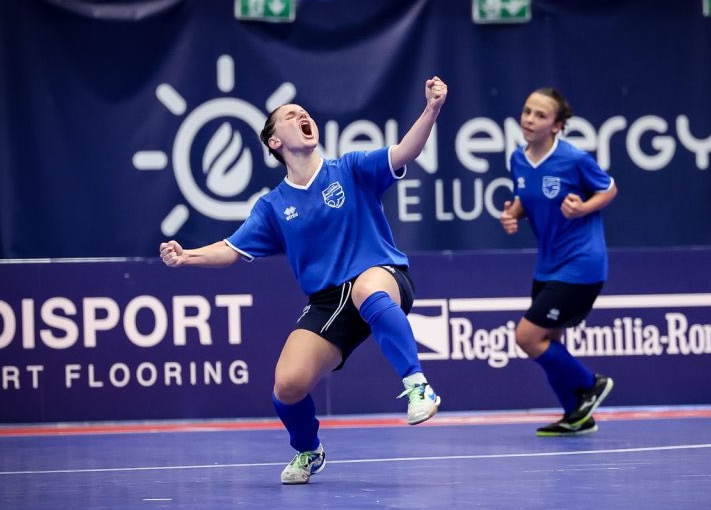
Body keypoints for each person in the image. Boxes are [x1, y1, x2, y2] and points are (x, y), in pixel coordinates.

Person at [159, 76, 448, 484]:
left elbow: (404, 151)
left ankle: (418, 386)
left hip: (382, 276)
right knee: (288, 385)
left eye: (305, 113)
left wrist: (432, 108)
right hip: (328, 301)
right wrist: (187, 257)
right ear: (275, 142)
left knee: (367, 287)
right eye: (291, 116)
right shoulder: (274, 206)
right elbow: (231, 249)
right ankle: (308, 450)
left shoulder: (350, 168)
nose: (302, 116)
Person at [499, 87, 618, 437]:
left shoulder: (575, 159)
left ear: (557, 125)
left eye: (540, 115)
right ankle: (576, 415)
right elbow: (526, 198)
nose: (530, 119)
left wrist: (582, 208)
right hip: (547, 266)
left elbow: (609, 189)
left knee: (527, 336)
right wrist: (514, 215)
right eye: (527, 111)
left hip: (582, 264)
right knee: (549, 339)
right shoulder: (518, 159)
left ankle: (591, 383)